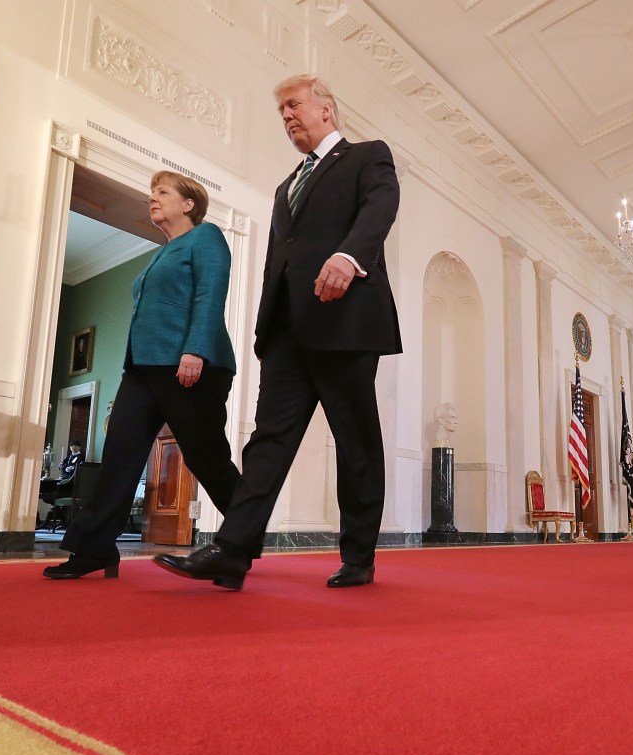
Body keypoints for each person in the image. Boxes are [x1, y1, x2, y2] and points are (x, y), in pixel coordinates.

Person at [155, 73, 401, 590]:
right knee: (266, 442)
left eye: (294, 106)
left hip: (344, 322)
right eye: (281, 111)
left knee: (355, 443)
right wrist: (265, 327)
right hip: (287, 333)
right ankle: (232, 550)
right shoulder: (285, 185)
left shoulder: (367, 156)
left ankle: (359, 557)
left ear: (326, 110)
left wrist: (349, 255)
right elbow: (277, 260)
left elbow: (379, 210)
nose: (287, 116)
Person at [43, 170, 240, 580]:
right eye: (151, 192)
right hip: (143, 369)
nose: (153, 198)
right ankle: (93, 549)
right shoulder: (161, 253)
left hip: (190, 363)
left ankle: (241, 543)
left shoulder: (207, 238)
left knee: (208, 460)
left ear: (189, 204)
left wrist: (196, 349)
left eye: (162, 192)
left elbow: (210, 295)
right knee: (119, 459)